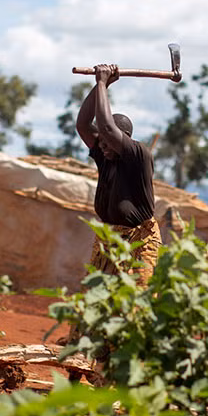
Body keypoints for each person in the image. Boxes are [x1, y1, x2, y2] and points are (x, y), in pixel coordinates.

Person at [76, 63, 162, 284]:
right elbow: (84, 125)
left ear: (122, 137)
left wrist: (102, 82)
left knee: (134, 307)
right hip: (109, 242)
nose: (101, 147)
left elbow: (105, 127)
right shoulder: (106, 158)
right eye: (101, 144)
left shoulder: (138, 154)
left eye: (108, 142)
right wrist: (102, 86)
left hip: (138, 244)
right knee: (96, 305)